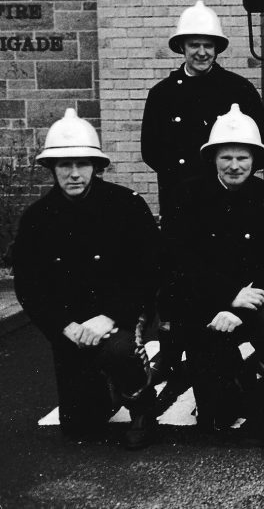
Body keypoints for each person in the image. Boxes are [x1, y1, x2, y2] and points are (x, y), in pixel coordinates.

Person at [141, 0, 264, 383]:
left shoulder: (238, 89)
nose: (201, 52)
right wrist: (189, 188)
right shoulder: (163, 93)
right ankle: (170, 350)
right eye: (193, 44)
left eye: (208, 45)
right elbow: (152, 151)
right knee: (177, 279)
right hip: (183, 202)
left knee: (227, 271)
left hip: (229, 200)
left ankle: (222, 349)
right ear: (181, 46)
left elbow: (261, 146)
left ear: (218, 48)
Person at [14, 109, 160, 449]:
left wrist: (109, 317)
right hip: (72, 324)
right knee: (80, 425)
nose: (74, 174)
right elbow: (30, 287)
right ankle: (103, 385)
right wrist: (64, 326)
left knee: (119, 350)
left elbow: (148, 268)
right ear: (52, 168)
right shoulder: (37, 218)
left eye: (82, 164)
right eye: (65, 165)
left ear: (97, 165)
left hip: (119, 314)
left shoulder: (126, 205)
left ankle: (142, 404)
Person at [160, 104, 264, 460]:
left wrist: (242, 308)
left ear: (255, 160)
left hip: (256, 301)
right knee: (216, 416)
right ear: (213, 158)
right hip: (204, 302)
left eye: (243, 157)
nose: (235, 165)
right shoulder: (186, 197)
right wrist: (227, 296)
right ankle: (231, 385)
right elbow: (180, 259)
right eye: (227, 157)